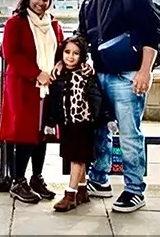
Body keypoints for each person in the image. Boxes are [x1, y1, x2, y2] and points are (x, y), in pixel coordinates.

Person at [75, 0, 160, 213]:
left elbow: (152, 37)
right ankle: (99, 180)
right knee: (99, 131)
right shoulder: (88, 4)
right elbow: (81, 38)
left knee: (129, 133)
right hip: (99, 76)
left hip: (128, 76)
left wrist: (144, 72)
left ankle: (135, 189)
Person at [0, 0, 64, 204]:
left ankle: (37, 178)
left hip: (48, 87)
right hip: (24, 86)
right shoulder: (15, 23)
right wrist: (36, 73)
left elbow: (61, 51)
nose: (41, 3)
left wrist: (59, 66)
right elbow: (11, 54)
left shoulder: (54, 25)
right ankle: (18, 181)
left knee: (42, 134)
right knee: (24, 134)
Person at [42, 36, 108, 212]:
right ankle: (82, 190)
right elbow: (54, 103)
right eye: (67, 52)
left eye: (76, 53)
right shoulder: (59, 77)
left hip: (84, 122)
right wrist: (50, 122)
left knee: (78, 157)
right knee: (74, 155)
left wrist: (103, 119)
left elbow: (97, 98)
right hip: (67, 123)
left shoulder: (87, 75)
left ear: (82, 56)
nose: (70, 57)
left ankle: (70, 195)